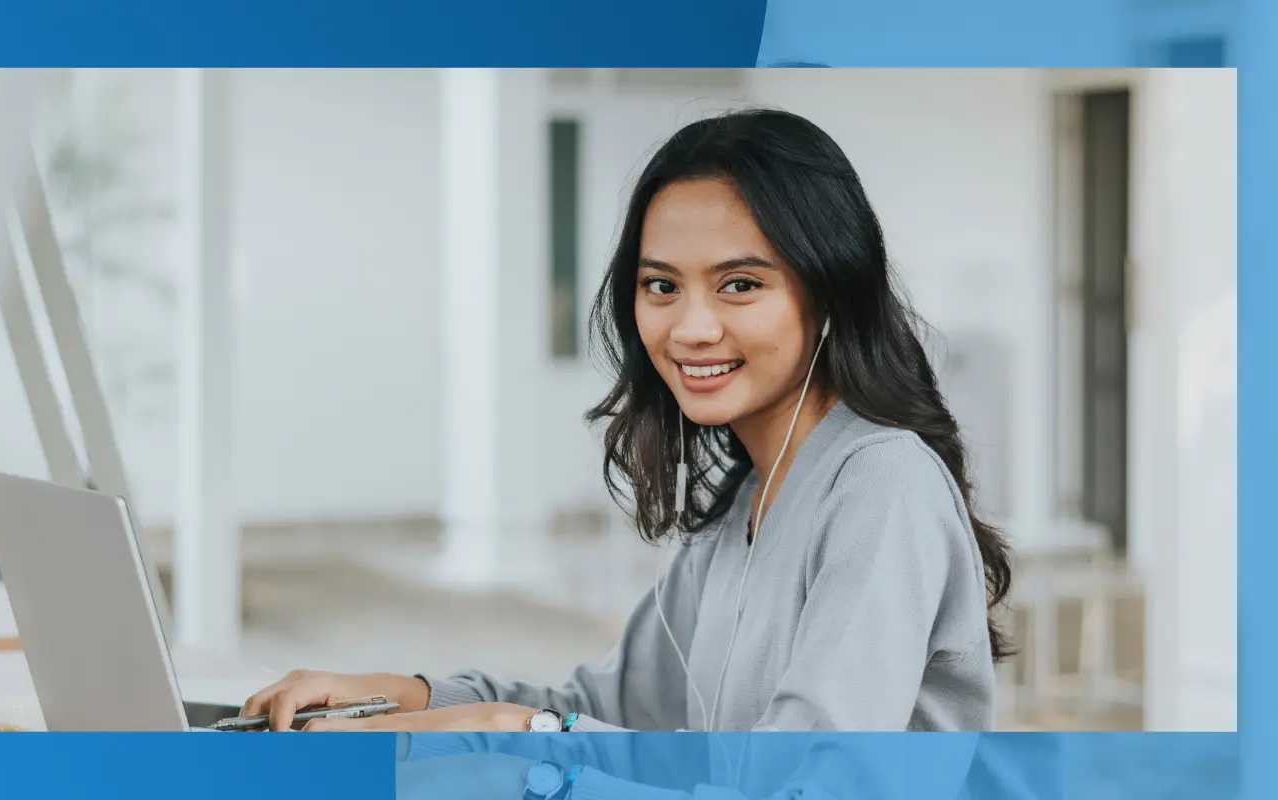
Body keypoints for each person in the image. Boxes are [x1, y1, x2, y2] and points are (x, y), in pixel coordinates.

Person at [242, 108, 1013, 733]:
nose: (691, 328)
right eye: (662, 285)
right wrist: (401, 693)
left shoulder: (882, 485)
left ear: (829, 296)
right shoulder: (742, 509)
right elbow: (612, 710)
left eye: (740, 284)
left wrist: (524, 737)